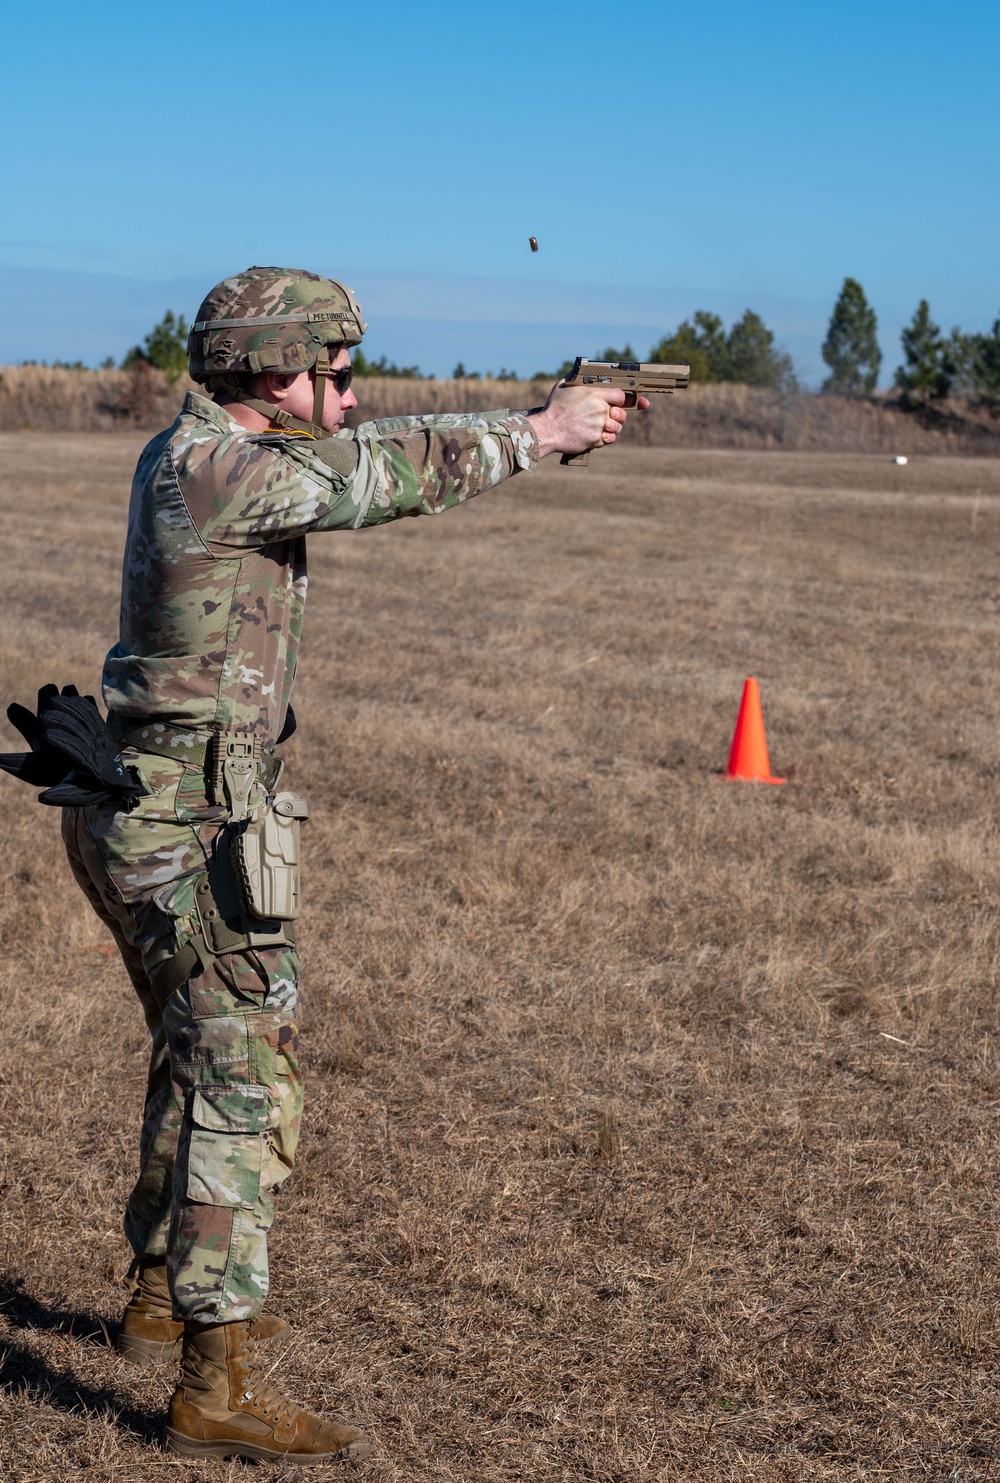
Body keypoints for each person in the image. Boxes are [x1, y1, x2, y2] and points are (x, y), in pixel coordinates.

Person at [56, 265, 643, 1464]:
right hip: (190, 828)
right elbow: (383, 475)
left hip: (151, 806)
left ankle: (161, 1290)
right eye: (331, 371)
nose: (350, 390)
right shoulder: (225, 469)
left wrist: (535, 427)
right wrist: (538, 432)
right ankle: (212, 1385)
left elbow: (380, 447)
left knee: (194, 1051)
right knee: (240, 1081)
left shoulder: (195, 453)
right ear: (273, 371)